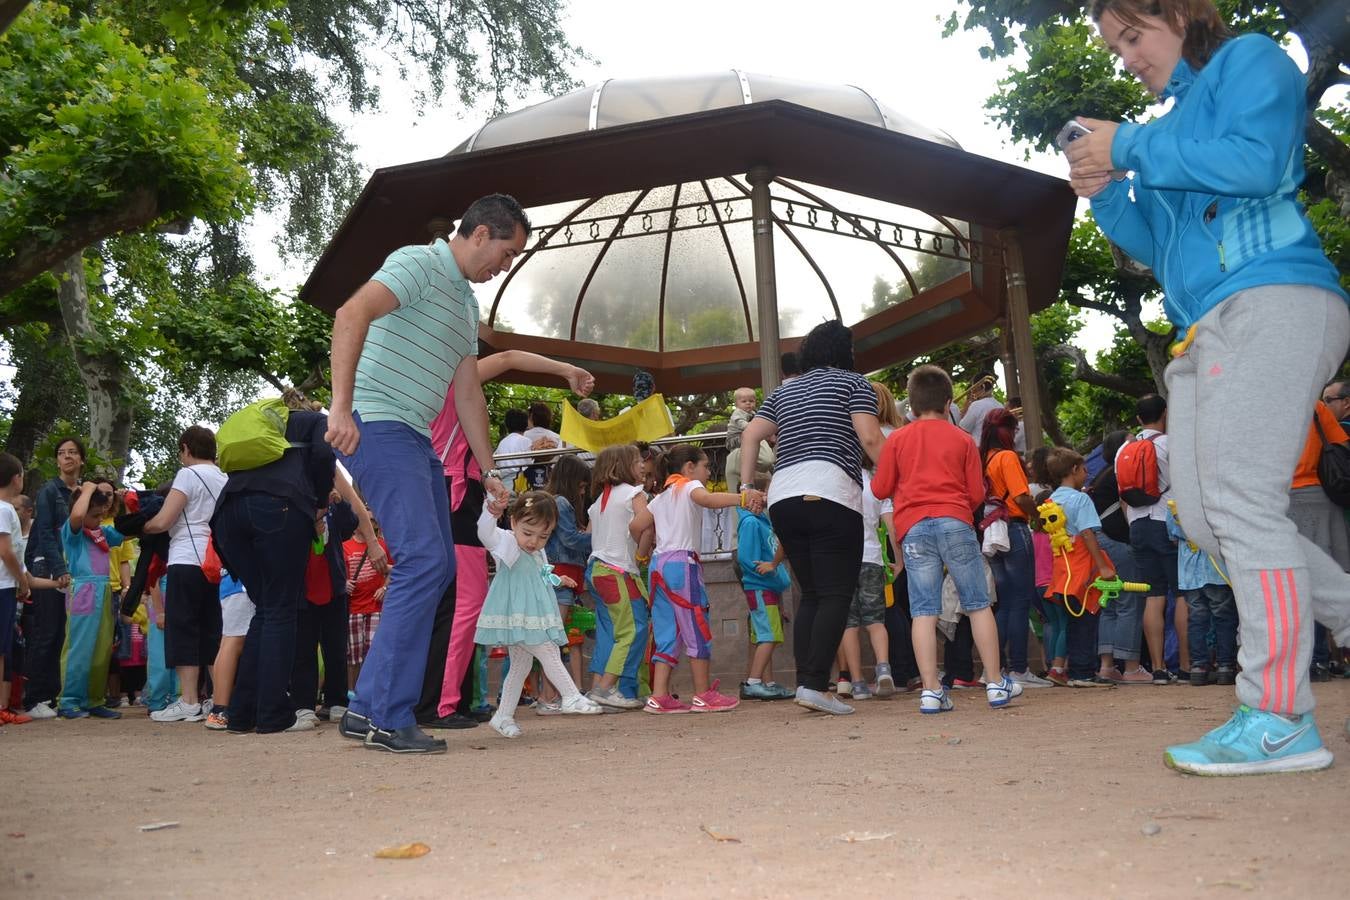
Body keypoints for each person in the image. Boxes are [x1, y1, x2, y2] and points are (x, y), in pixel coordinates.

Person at [1073, 0, 1350, 774]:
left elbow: (1258, 161)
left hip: (1275, 296)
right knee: (1202, 512)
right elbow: (1158, 247)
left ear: (1182, 13)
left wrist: (1126, 143)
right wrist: (1104, 191)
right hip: (1204, 328)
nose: (1125, 57)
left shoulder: (1249, 62)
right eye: (1114, 45)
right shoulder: (1168, 128)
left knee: (1238, 501)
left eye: (1133, 36)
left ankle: (1280, 713)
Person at [324, 193, 519, 754]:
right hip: (376, 421)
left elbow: (466, 393)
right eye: (505, 252)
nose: (503, 265)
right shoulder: (418, 262)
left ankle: (366, 709)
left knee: (435, 572)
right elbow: (350, 312)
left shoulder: (464, 304)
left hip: (415, 436)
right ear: (479, 233)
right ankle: (389, 715)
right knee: (425, 560)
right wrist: (340, 407)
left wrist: (488, 470)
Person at [422, 350, 593, 730]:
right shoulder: (449, 382)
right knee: (465, 604)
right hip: (454, 492)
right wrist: (566, 367)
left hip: (455, 491)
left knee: (457, 605)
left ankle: (458, 702)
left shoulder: (435, 383)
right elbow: (510, 357)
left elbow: (508, 357)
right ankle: (442, 704)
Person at [738, 320, 885, 716]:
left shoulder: (785, 392)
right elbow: (870, 438)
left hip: (783, 497)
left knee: (812, 595)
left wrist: (748, 485)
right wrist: (898, 477)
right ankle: (817, 686)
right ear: (846, 352)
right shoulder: (855, 384)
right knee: (836, 593)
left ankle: (808, 683)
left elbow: (751, 435)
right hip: (832, 493)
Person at [871, 365, 1023, 714]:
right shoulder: (961, 439)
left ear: (910, 402)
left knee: (923, 609)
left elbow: (880, 488)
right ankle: (997, 685)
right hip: (955, 520)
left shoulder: (898, 439)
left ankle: (930, 690)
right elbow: (975, 494)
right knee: (977, 603)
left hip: (913, 528)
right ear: (947, 401)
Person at [474, 491, 603, 738]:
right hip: (518, 614)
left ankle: (502, 716)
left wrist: (558, 578)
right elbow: (485, 534)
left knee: (521, 665)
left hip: (531, 614)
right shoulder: (507, 541)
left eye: (543, 536)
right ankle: (571, 696)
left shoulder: (537, 552)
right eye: (528, 533)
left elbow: (543, 573)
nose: (534, 541)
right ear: (513, 522)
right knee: (547, 650)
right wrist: (490, 512)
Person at [637, 444, 743, 714]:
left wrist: (643, 551)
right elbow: (706, 500)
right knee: (696, 626)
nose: (708, 472)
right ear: (689, 467)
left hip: (658, 566)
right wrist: (742, 498)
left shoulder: (660, 497)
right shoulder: (689, 486)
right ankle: (702, 694)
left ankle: (658, 696)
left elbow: (636, 526)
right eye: (706, 466)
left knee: (666, 632)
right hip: (683, 565)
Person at [142, 426, 227, 723]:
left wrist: (144, 526)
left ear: (185, 448)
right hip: (217, 562)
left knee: (184, 628)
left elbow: (165, 519)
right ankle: (218, 699)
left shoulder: (188, 475)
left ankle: (189, 700)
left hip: (186, 559)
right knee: (213, 631)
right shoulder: (224, 478)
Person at [1114, 395, 1182, 683]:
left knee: (1153, 596)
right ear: (1165, 413)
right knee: (1182, 594)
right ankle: (1188, 664)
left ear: (1139, 419)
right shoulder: (1170, 445)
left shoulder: (1124, 450)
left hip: (1139, 525)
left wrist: (1132, 524)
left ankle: (1158, 667)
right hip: (1167, 523)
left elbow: (1122, 496)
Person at [980, 409, 1049, 688]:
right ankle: (1019, 668)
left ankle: (993, 670)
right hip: (1014, 528)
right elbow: (1021, 496)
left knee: (1005, 605)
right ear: (1008, 431)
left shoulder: (982, 459)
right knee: (1020, 602)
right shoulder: (1007, 457)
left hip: (992, 533)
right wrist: (1038, 517)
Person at [1043, 448, 1120, 689]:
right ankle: (1083, 672)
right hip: (1082, 567)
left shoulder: (1050, 500)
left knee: (1073, 621)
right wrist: (1102, 567)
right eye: (1084, 468)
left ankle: (1077, 670)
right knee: (1086, 620)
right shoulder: (1080, 499)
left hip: (1062, 568)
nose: (1087, 473)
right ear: (1074, 470)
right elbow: (1087, 533)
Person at [583, 444, 649, 710]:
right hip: (618, 571)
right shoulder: (635, 493)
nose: (642, 465)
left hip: (596, 571)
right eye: (637, 461)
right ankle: (608, 687)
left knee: (609, 633)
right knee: (633, 630)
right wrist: (642, 552)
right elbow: (646, 522)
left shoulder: (597, 502)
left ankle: (598, 689)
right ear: (623, 466)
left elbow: (589, 536)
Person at [21, 436, 83, 718]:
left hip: (73, 568)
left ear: (81, 459)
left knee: (62, 633)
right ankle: (35, 698)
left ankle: (53, 695)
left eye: (72, 452)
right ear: (57, 460)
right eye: (62, 453)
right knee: (47, 630)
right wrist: (59, 570)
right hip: (47, 566)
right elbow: (45, 532)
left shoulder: (83, 492)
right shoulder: (49, 491)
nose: (67, 457)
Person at [57, 480, 125, 719]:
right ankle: (69, 700)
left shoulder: (102, 533)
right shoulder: (73, 532)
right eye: (95, 515)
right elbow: (77, 515)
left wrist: (123, 502)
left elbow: (125, 531)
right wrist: (86, 490)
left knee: (101, 649)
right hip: (83, 591)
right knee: (80, 647)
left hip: (104, 592)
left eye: (101, 515)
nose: (99, 520)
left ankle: (94, 699)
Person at [736, 470, 793, 701]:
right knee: (768, 635)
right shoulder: (751, 522)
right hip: (760, 587)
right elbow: (746, 558)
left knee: (767, 635)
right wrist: (768, 567)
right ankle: (754, 682)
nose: (769, 497)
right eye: (765, 492)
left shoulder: (761, 521)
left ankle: (765, 681)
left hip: (767, 588)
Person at [541, 455, 592, 706]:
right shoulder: (561, 502)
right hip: (561, 574)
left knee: (553, 638)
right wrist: (599, 537)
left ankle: (548, 695)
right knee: (554, 638)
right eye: (581, 487)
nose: (583, 493)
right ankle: (548, 697)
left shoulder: (553, 500)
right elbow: (570, 540)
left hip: (560, 573)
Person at [1167, 503, 1236, 686]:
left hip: (1189, 572)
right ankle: (1225, 666)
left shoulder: (1176, 503)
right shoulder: (1216, 497)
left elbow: (1172, 535)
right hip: (1216, 570)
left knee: (1197, 619)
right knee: (1224, 618)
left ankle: (1198, 666)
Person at [0, 454, 31, 725]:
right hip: (3, 585)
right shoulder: (5, 509)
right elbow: (6, 552)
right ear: (16, 478)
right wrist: (22, 581)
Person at [204, 571, 253, 731]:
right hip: (241, 585)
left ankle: (219, 707)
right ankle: (220, 709)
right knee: (233, 641)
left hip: (232, 583)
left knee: (229, 641)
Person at [344, 524, 389, 691]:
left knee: (373, 654)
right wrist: (345, 583)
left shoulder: (381, 545)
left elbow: (394, 569)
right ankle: (351, 694)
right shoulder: (345, 546)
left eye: (372, 520)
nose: (370, 523)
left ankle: (369, 693)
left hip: (375, 607)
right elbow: (340, 572)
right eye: (366, 519)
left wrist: (384, 587)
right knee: (353, 656)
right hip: (353, 608)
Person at [724, 387, 774, 487]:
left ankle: (772, 467)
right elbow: (742, 424)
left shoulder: (753, 413)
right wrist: (757, 430)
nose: (748, 403)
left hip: (746, 439)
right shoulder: (737, 413)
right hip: (735, 438)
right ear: (736, 404)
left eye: (751, 401)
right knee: (756, 439)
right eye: (744, 401)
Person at [494, 409, 532, 487]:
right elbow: (530, 462)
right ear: (526, 424)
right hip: (522, 481)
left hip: (504, 482)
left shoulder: (502, 443)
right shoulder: (526, 441)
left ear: (507, 425)